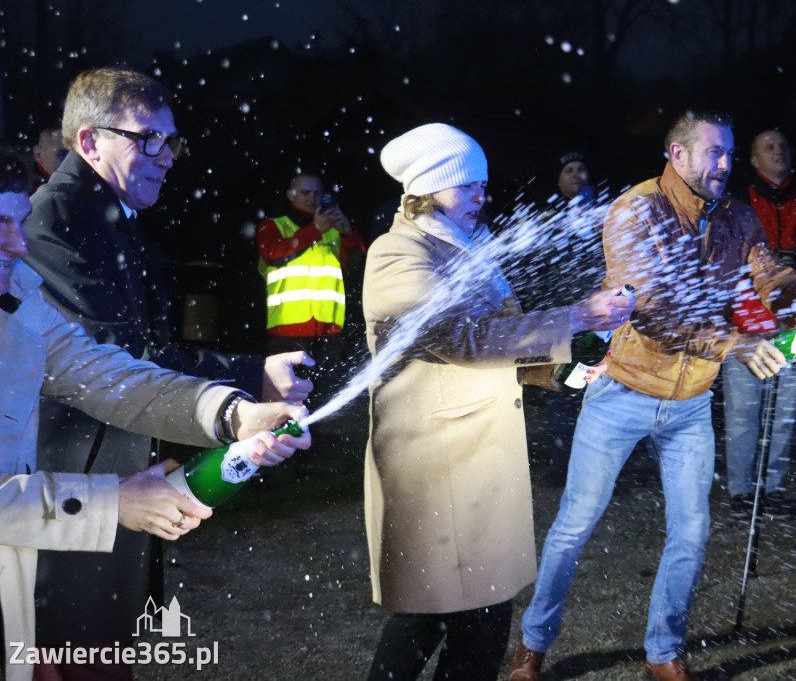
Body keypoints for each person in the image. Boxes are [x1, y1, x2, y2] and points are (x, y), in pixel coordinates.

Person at [510, 111, 796, 681]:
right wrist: (733, 343)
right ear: (677, 155)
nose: (724, 164)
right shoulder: (635, 211)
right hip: (622, 390)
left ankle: (663, 651)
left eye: (729, 153)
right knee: (575, 525)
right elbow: (649, 310)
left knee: (691, 532)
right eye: (713, 153)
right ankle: (533, 645)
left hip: (690, 403)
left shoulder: (739, 217)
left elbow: (772, 279)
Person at [22, 67, 314, 672]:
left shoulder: (109, 216)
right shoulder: (55, 222)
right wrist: (244, 382)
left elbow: (124, 357)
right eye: (146, 139)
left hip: (110, 487)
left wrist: (240, 388)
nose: (166, 157)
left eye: (171, 140)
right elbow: (112, 363)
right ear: (88, 142)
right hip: (69, 495)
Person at [363, 123, 634, 681]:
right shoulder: (397, 253)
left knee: (482, 621)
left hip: (478, 463)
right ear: (428, 188)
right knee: (428, 614)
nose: (482, 198)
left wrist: (566, 371)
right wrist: (577, 315)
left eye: (484, 186)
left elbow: (500, 339)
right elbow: (459, 339)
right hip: (433, 465)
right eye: (468, 186)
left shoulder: (470, 252)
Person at [724, 130, 796, 518]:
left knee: (783, 413)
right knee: (743, 413)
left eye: (783, 146)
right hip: (749, 325)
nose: (778, 152)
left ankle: (773, 488)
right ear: (753, 161)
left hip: (795, 327)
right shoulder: (735, 204)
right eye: (768, 147)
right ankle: (741, 492)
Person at [514, 151, 605, 479]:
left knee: (595, 389)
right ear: (558, 179)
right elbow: (537, 272)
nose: (577, 174)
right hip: (565, 322)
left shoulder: (604, 216)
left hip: (601, 325)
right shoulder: (546, 220)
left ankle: (594, 466)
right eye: (569, 170)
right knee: (564, 390)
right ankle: (562, 462)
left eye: (582, 168)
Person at [258, 172, 367, 401]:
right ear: (290, 194)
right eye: (305, 192)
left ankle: (316, 438)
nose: (311, 198)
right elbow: (275, 255)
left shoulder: (333, 230)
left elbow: (360, 267)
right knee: (285, 400)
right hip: (287, 332)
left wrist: (348, 233)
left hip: (330, 332)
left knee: (323, 401)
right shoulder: (273, 226)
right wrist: (316, 230)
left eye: (317, 193)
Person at [30, 127, 68, 193]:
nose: (72, 162)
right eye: (63, 156)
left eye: (75, 156)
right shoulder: (27, 193)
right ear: (38, 155)